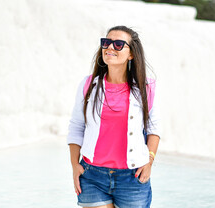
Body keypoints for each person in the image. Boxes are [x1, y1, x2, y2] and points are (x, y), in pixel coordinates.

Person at [67, 25, 160, 208]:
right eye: (106, 43)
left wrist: (149, 161)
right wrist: (74, 165)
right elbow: (77, 126)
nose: (110, 47)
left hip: (132, 178)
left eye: (118, 44)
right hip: (92, 176)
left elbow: (154, 128)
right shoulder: (89, 85)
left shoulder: (145, 88)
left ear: (131, 54)